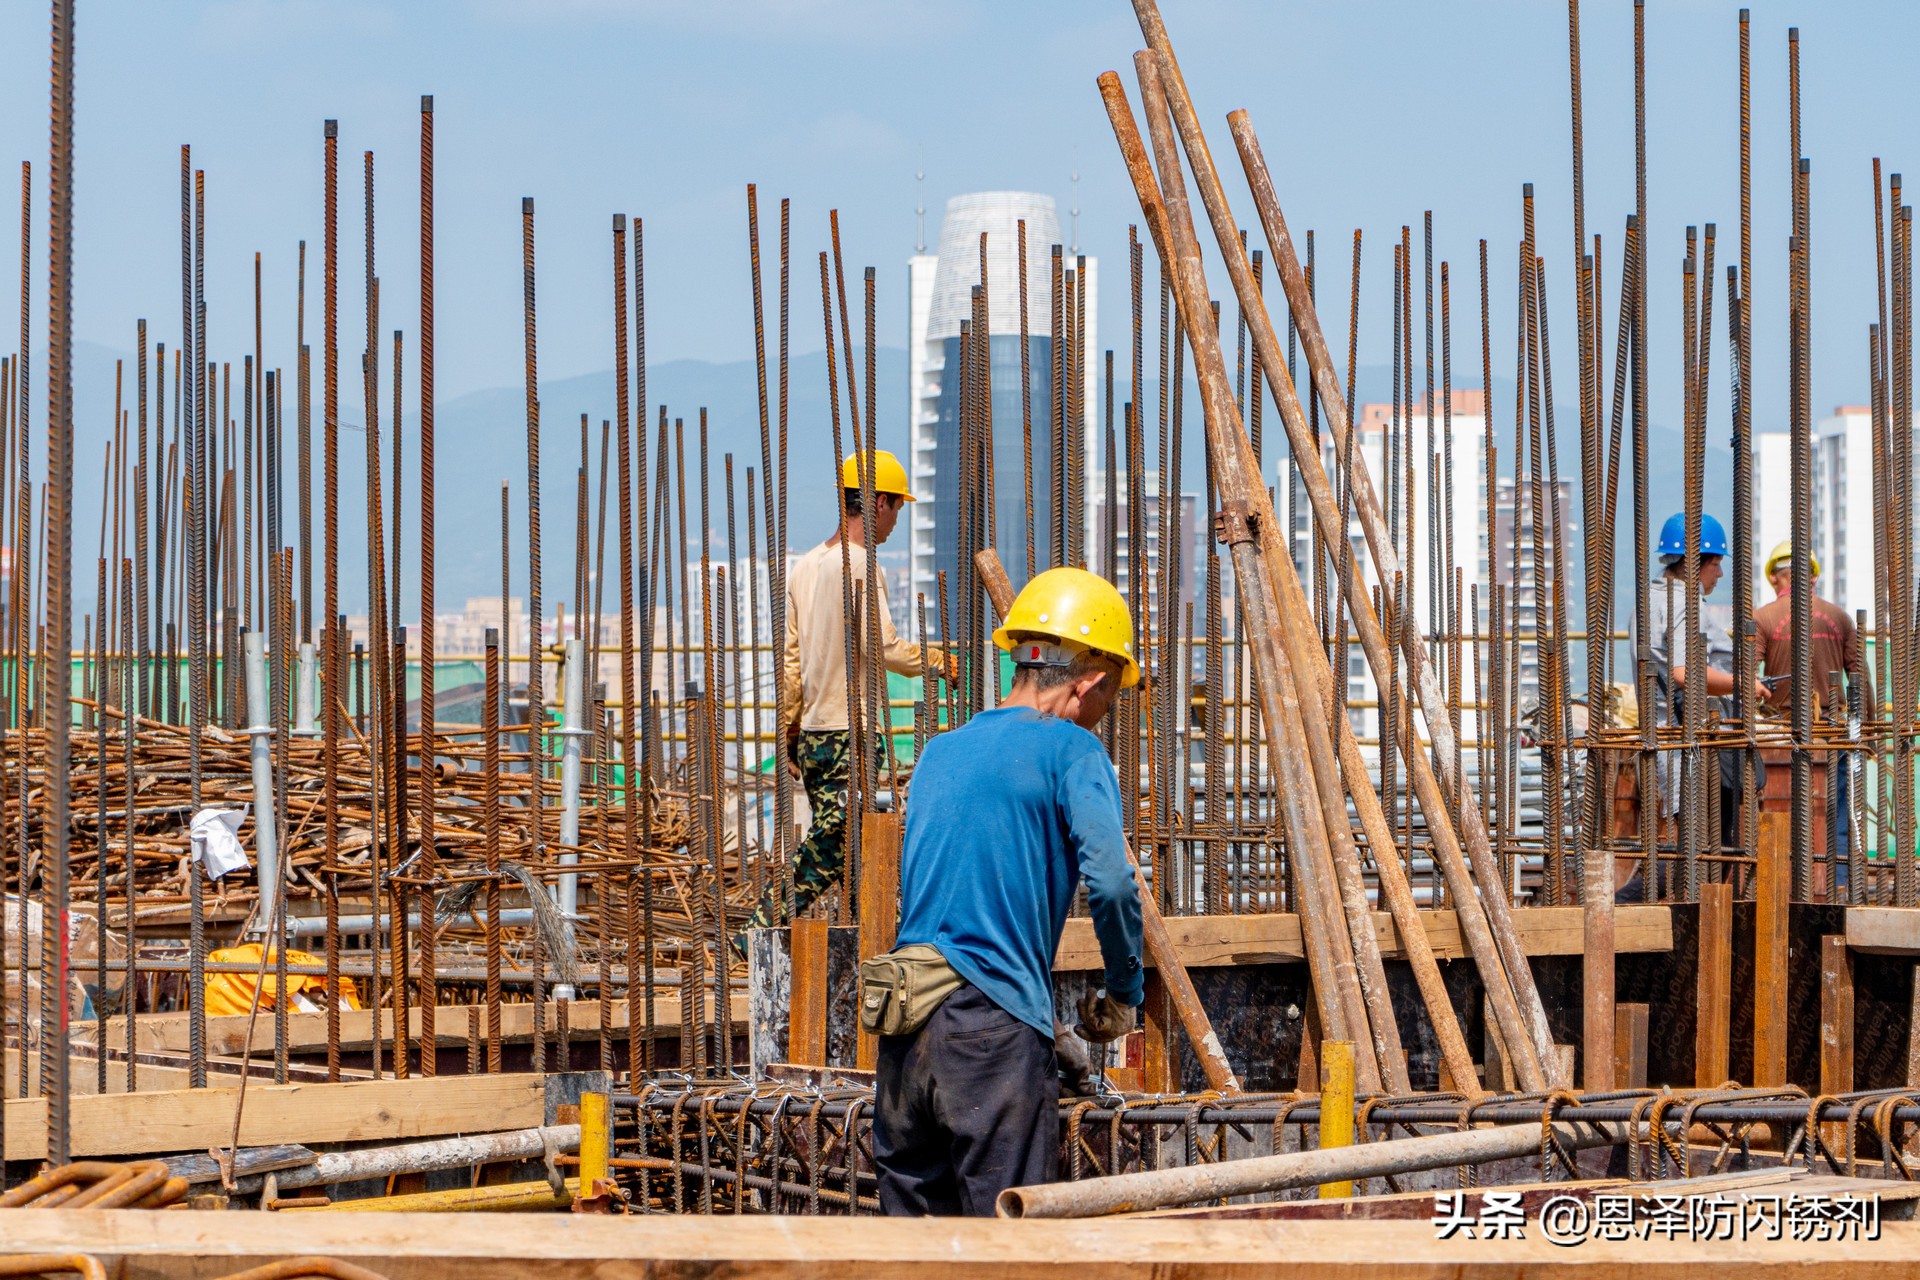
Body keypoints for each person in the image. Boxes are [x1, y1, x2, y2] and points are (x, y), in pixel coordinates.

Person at [873, 566, 1145, 1217]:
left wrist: (1045, 1029)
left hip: (903, 1032)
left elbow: (961, 920)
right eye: (1111, 700)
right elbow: (1111, 882)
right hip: (988, 1045)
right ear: (1092, 681)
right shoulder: (1071, 751)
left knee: (913, 1255)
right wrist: (1124, 993)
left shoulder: (941, 752)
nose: (1104, 715)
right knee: (1008, 1241)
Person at [734, 449, 943, 952]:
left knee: (856, 844)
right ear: (877, 502)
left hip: (814, 734)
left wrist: (789, 730)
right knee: (836, 845)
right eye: (896, 507)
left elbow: (790, 662)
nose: (896, 519)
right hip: (850, 734)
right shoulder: (864, 567)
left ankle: (892, 937)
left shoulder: (805, 567)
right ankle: (759, 926)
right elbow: (885, 648)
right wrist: (939, 660)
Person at [1618, 512, 1768, 901]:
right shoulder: (1684, 602)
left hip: (1670, 738)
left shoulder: (1649, 601)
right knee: (1709, 847)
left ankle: (1688, 914)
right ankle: (1628, 901)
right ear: (1696, 562)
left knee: (1703, 846)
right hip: (1693, 744)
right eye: (1716, 563)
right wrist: (1744, 684)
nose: (1719, 574)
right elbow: (1686, 673)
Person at [1754, 541, 1872, 890]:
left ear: (1776, 579)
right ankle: (1836, 885)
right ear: (1814, 577)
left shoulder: (1764, 618)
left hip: (1779, 734)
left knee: (1779, 810)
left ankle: (1781, 884)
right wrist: (1865, 728)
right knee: (1835, 813)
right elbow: (1859, 678)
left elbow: (1747, 676)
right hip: (1832, 732)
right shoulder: (1839, 618)